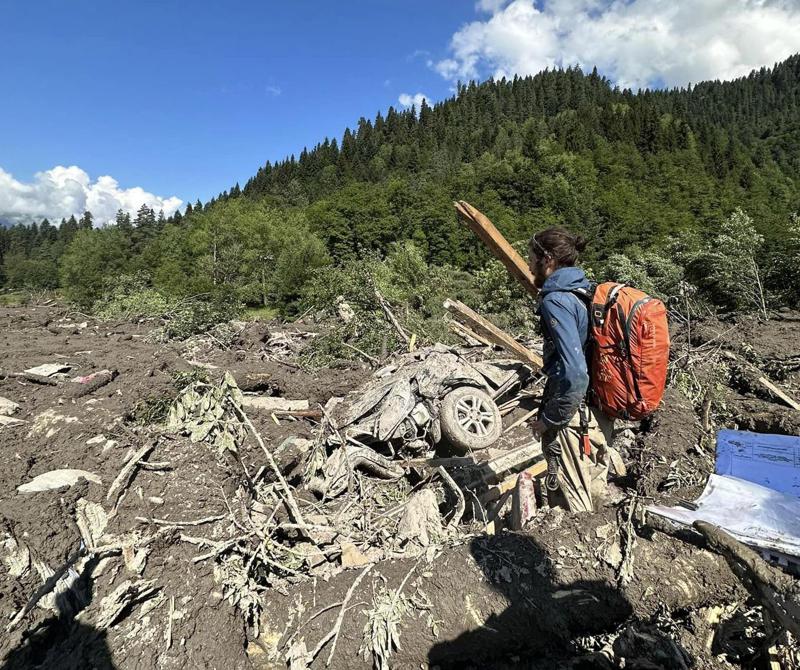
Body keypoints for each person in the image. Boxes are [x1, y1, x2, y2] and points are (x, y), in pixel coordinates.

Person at [526, 228, 617, 513]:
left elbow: (575, 373)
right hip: (598, 412)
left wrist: (550, 420)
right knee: (597, 501)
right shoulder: (584, 293)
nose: (528, 265)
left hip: (574, 421)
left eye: (531, 258)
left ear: (547, 259)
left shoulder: (556, 300)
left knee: (572, 512)